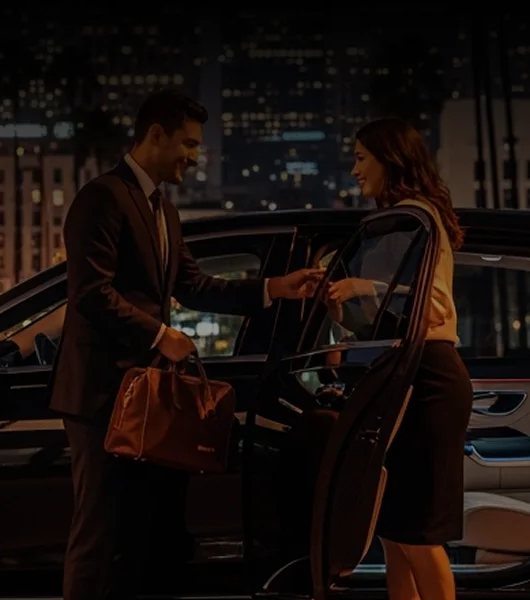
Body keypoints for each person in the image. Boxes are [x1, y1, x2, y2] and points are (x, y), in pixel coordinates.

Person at [50, 88, 326, 600]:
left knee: (146, 536)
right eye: (189, 144)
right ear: (156, 135)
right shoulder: (102, 197)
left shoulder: (163, 209)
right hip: (100, 396)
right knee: (100, 534)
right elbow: (89, 293)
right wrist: (160, 335)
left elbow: (194, 284)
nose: (195, 157)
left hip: (148, 399)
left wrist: (274, 287)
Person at [323, 117, 471, 600]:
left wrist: (363, 287)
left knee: (418, 534)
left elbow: (434, 305)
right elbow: (390, 317)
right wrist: (343, 309)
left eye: (362, 157)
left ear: (390, 158)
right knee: (393, 531)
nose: (354, 169)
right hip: (406, 374)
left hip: (428, 379)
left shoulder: (416, 218)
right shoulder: (402, 220)